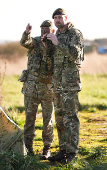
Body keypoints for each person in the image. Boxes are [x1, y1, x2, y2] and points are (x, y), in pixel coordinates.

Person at [45, 8, 84, 163]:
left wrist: (57, 42)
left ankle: (72, 153)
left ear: (66, 18)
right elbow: (53, 59)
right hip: (58, 84)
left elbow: (75, 54)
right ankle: (63, 151)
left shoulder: (75, 33)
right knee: (60, 118)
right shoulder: (57, 35)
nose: (58, 19)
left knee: (71, 118)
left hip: (70, 84)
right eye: (55, 17)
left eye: (60, 17)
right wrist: (48, 45)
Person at [19, 20, 55, 159]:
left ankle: (47, 148)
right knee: (29, 119)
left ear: (52, 31)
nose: (44, 31)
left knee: (48, 120)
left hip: (48, 89)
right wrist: (27, 33)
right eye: (42, 29)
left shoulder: (56, 44)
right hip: (31, 88)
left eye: (47, 29)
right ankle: (28, 147)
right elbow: (24, 43)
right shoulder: (34, 41)